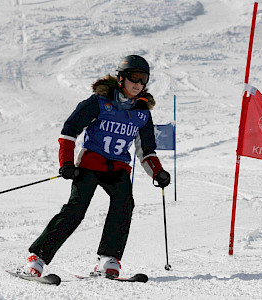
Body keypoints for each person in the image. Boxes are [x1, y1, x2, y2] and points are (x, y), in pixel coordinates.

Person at [22, 55, 171, 278]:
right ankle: (38, 258)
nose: (138, 84)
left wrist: (158, 172)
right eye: (134, 77)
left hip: (118, 169)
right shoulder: (100, 102)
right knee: (75, 210)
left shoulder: (142, 113)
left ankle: (109, 259)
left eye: (143, 79)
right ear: (121, 78)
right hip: (90, 164)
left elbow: (146, 151)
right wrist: (66, 163)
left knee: (124, 204)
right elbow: (69, 130)